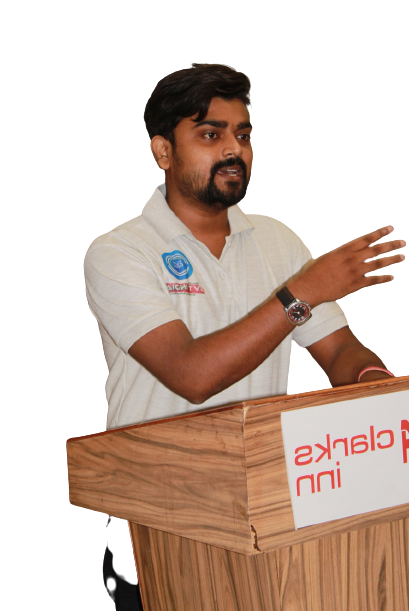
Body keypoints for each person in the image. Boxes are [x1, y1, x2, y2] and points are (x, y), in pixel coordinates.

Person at [83, 62, 406, 608]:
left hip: (262, 500)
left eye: (244, 135)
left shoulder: (277, 240)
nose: (235, 149)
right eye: (211, 135)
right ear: (163, 152)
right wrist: (302, 292)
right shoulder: (118, 252)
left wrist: (377, 390)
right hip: (155, 512)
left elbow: (338, 349)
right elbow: (191, 375)